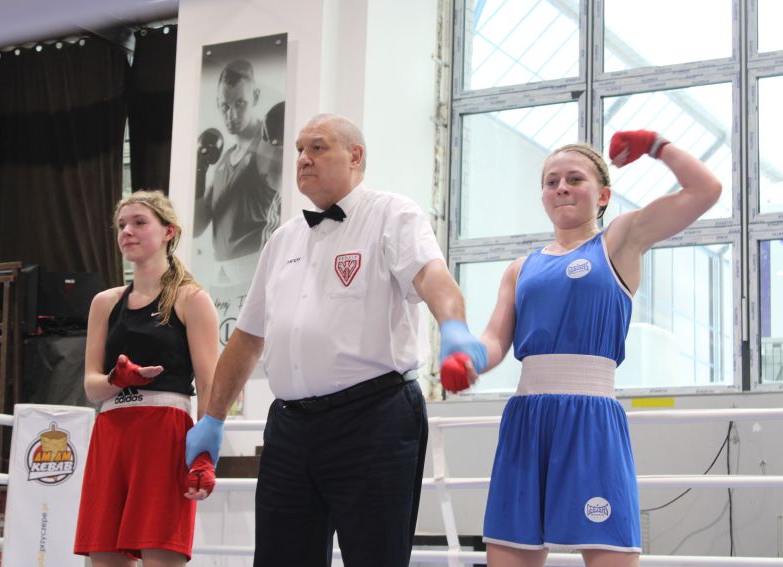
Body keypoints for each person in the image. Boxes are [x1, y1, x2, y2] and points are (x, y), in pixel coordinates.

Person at [185, 113, 488, 567]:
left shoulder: (392, 214)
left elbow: (432, 277)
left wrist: (453, 326)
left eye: (318, 147)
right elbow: (247, 338)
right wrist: (213, 417)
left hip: (374, 419)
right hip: (290, 429)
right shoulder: (282, 239)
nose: (303, 158)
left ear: (355, 156)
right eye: (299, 150)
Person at [448, 131, 721, 567]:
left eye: (574, 179)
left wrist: (657, 146)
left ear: (603, 195)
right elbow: (496, 338)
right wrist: (470, 359)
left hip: (591, 417)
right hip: (526, 419)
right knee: (509, 552)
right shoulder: (521, 268)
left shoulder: (619, 240)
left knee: (609, 551)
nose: (561, 187)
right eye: (551, 181)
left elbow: (706, 190)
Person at [73, 190, 219, 566]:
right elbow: (91, 386)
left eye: (139, 223)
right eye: (122, 225)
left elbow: (209, 384)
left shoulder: (191, 299)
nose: (127, 231)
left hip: (164, 433)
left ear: (169, 231)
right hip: (111, 432)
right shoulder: (104, 303)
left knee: (161, 554)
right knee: (103, 557)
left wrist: (205, 454)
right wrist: (116, 379)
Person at [194, 59, 281, 277]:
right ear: (217, 103)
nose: (231, 115)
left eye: (240, 103)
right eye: (225, 106)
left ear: (256, 97)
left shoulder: (269, 148)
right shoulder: (224, 159)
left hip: (257, 273)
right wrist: (199, 171)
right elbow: (196, 228)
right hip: (222, 276)